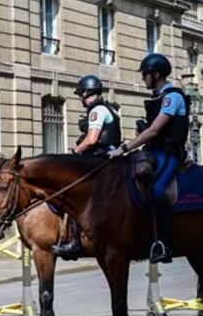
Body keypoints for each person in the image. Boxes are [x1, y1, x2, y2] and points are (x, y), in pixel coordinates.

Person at [108, 53, 190, 264]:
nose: (143, 78)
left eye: (145, 74)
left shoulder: (173, 97)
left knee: (156, 190)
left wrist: (123, 148)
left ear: (155, 74)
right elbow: (150, 132)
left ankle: (164, 243)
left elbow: (155, 131)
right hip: (153, 152)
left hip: (170, 154)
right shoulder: (157, 96)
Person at [52, 75, 122, 261]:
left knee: (73, 191)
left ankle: (76, 242)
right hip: (109, 156)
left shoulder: (97, 111)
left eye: (81, 94)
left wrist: (74, 152)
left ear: (86, 92)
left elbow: (91, 139)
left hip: (100, 157)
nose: (81, 99)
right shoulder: (110, 108)